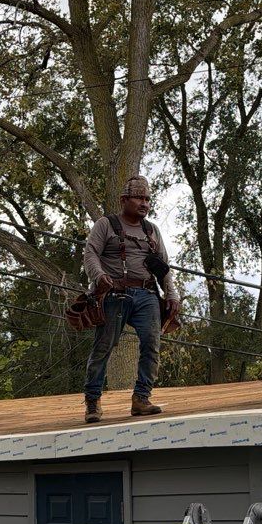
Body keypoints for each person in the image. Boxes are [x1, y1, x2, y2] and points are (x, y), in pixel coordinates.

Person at [81, 175, 181, 423]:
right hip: (114, 294)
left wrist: (171, 294)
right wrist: (99, 276)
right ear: (124, 200)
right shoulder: (106, 224)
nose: (144, 203)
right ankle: (92, 401)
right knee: (104, 346)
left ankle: (141, 398)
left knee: (152, 343)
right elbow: (90, 254)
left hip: (147, 294)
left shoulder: (152, 230)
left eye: (147, 199)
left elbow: (163, 266)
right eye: (139, 198)